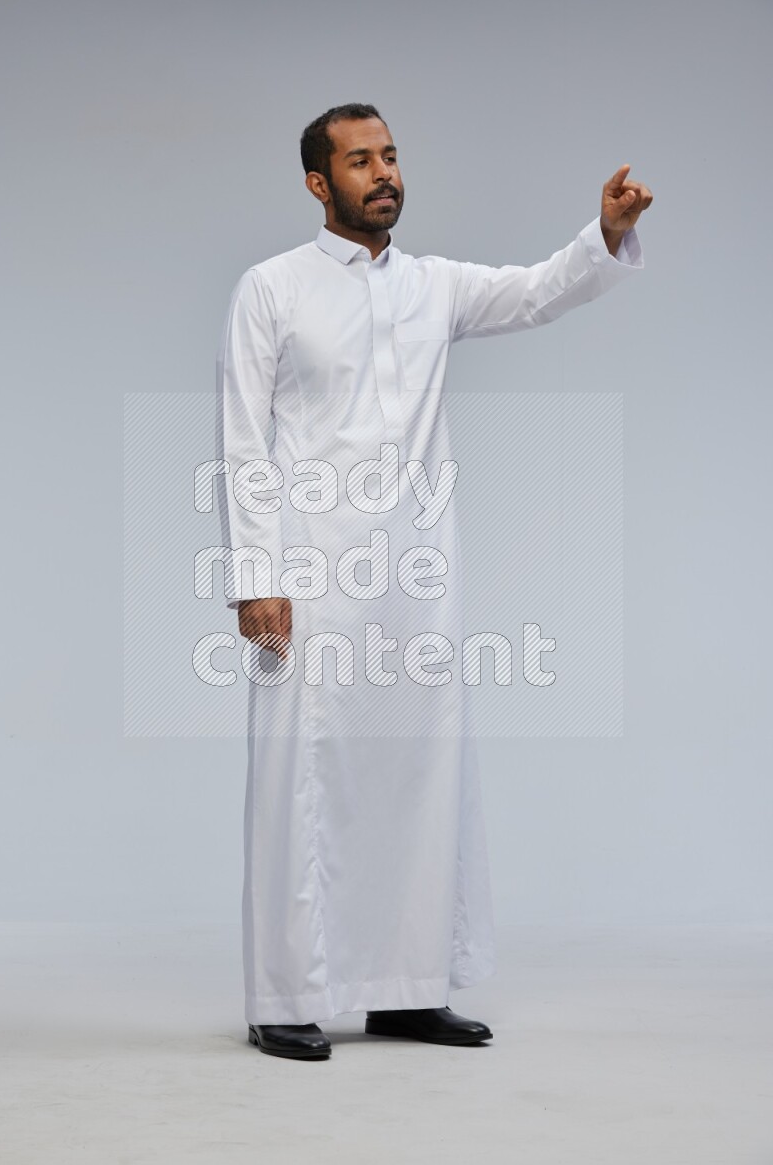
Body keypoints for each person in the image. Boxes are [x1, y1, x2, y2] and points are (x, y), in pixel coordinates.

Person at [215, 103, 652, 1061]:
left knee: (418, 773)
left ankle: (405, 990)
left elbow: (539, 292)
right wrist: (255, 575)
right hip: (310, 575)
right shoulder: (272, 289)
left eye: (392, 156)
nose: (384, 174)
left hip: (416, 578)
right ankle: (281, 995)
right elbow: (245, 441)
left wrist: (606, 234)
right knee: (300, 781)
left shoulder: (433, 286)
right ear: (317, 184)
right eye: (360, 160)